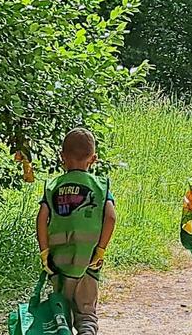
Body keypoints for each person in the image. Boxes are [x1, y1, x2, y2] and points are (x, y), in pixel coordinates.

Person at [37, 128, 117, 335]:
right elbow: (111, 217)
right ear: (94, 159)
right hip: (88, 261)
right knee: (86, 315)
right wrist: (100, 250)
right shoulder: (100, 186)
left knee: (61, 312)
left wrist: (45, 253)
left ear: (62, 156)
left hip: (59, 262)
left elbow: (41, 219)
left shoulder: (53, 186)